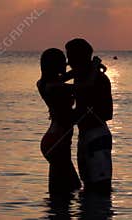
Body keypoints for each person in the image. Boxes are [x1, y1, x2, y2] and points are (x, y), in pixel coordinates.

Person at [65, 38, 113, 193]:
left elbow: (106, 112)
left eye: (70, 56)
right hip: (86, 135)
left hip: (96, 135)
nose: (68, 61)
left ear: (80, 57)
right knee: (88, 185)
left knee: (100, 186)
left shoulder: (97, 78)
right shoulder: (83, 74)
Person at [37, 48, 81, 194]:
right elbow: (84, 87)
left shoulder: (43, 84)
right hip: (58, 142)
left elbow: (65, 77)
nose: (67, 63)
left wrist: (80, 68)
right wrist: (93, 69)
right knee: (71, 187)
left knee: (60, 190)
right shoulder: (54, 87)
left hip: (53, 141)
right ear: (56, 65)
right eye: (64, 61)